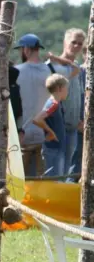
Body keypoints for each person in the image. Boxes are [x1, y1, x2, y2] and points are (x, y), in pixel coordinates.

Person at [47, 28, 86, 175]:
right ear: (65, 42)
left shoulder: (79, 70)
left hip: (74, 127)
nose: (76, 46)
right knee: (54, 168)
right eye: (73, 42)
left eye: (80, 44)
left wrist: (81, 119)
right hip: (57, 126)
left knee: (67, 169)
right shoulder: (53, 67)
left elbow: (81, 95)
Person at [14, 34, 53, 177]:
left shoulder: (16, 71)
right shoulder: (49, 71)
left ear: (26, 50)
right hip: (44, 132)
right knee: (41, 178)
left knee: (19, 177)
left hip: (21, 133)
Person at [33, 74, 71, 177]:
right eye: (66, 88)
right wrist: (50, 132)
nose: (67, 91)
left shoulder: (57, 103)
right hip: (53, 149)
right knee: (53, 179)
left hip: (57, 148)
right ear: (59, 88)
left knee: (57, 178)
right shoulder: (53, 104)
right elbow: (37, 119)